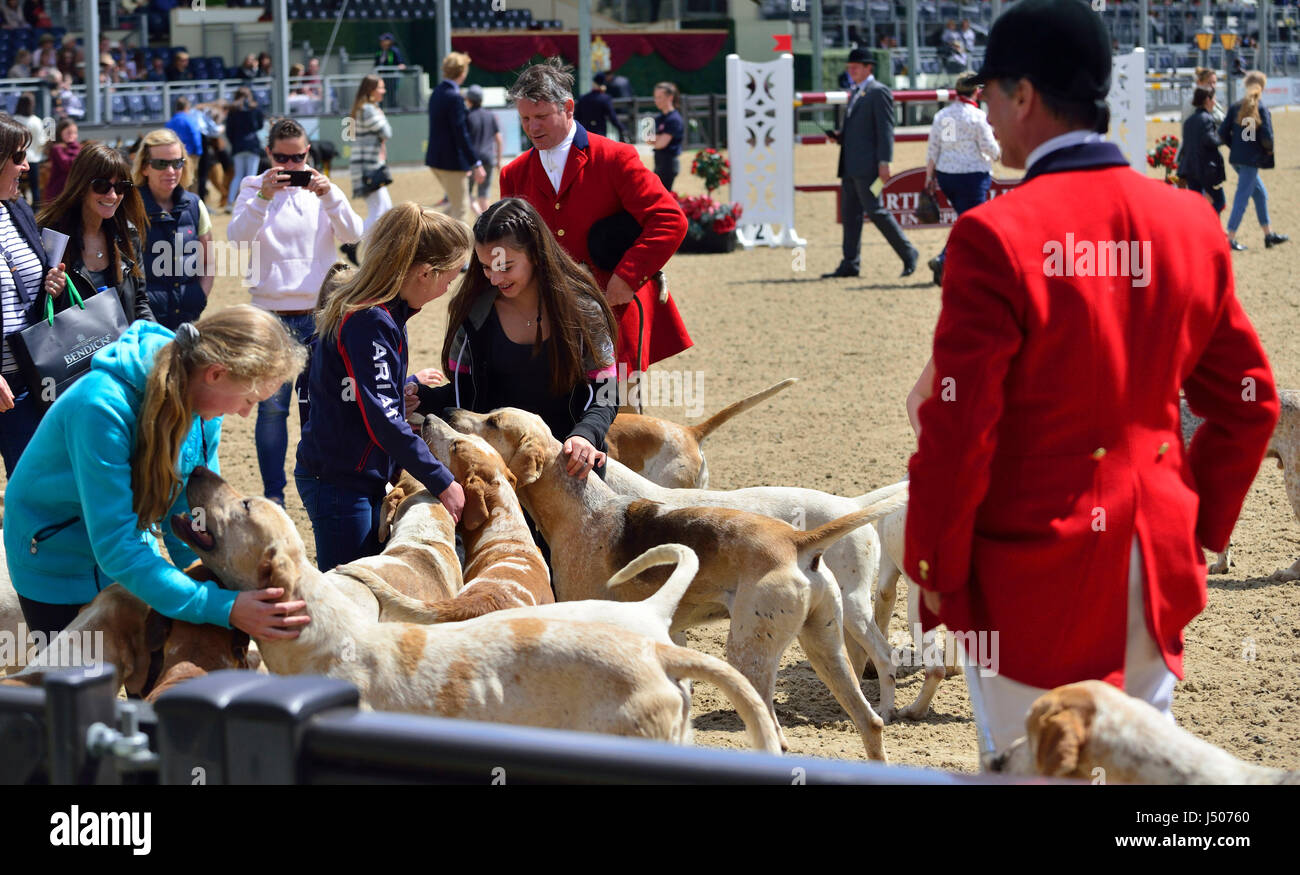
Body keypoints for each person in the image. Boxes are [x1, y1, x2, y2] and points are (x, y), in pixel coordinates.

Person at [903, 0, 1280, 764]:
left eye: (990, 94)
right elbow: (1251, 400)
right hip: (1154, 559)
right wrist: (1197, 524)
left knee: (1031, 770)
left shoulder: (994, 234)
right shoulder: (1190, 221)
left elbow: (960, 424)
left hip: (1029, 569)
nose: (987, 114)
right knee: (1145, 779)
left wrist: (933, 566)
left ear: (1023, 95)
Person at [3, 305, 312, 644]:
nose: (243, 413)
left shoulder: (204, 407)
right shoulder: (100, 407)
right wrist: (221, 606)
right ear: (216, 373)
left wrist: (207, 579)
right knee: (75, 685)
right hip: (55, 565)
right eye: (249, 399)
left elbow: (190, 511)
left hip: (128, 556)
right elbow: (116, 547)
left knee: (136, 680)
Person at [295, 203, 465, 570]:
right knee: (351, 593)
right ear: (424, 272)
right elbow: (383, 419)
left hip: (349, 471)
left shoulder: (381, 310)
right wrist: (441, 480)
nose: (447, 288)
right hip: (341, 480)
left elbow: (362, 395)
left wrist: (396, 392)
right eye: (447, 280)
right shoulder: (371, 319)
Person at [500, 58, 691, 376]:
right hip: (549, 321)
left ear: (568, 108)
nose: (533, 127)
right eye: (525, 119)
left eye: (542, 116)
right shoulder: (513, 174)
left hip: (615, 312)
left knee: (622, 415)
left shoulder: (617, 157)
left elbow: (670, 219)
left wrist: (628, 276)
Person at [413, 197, 619, 484]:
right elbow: (466, 396)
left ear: (535, 253)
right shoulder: (473, 314)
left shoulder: (584, 310)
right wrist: (419, 397)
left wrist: (586, 435)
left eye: (505, 266)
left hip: (570, 466)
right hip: (500, 473)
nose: (495, 278)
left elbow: (606, 393)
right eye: (486, 267)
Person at [229, 117, 364, 507]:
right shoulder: (252, 186)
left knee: (320, 407)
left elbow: (354, 234)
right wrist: (263, 198)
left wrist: (330, 195)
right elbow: (237, 239)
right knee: (271, 409)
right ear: (269, 154)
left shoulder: (322, 188)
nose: (291, 166)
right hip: (270, 314)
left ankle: (317, 483)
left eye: (299, 157)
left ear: (309, 152)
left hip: (317, 313)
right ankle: (275, 495)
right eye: (283, 157)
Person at [0, 113, 62, 473]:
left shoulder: (18, 209)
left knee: (33, 489)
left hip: (25, 382)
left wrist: (48, 288)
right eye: (18, 157)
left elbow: (25, 295)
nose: (26, 166)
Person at [823, 48, 918, 278]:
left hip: (868, 166)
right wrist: (840, 135)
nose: (851, 70)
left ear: (869, 68)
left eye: (856, 66)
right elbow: (858, 129)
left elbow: (885, 130)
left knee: (876, 211)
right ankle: (850, 263)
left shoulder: (878, 92)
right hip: (850, 164)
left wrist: (885, 161)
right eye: (849, 67)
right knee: (850, 215)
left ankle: (908, 252)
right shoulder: (856, 92)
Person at [36, 141, 155, 325]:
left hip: (120, 351)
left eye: (121, 187)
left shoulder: (128, 235)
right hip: (75, 350)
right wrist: (54, 293)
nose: (113, 195)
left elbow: (139, 301)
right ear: (81, 186)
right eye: (101, 186)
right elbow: (33, 309)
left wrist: (156, 343)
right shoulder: (50, 236)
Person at [923, 72, 999, 285]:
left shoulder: (944, 116)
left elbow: (934, 148)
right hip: (972, 177)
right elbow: (988, 147)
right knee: (972, 223)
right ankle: (944, 259)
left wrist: (928, 176)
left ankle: (950, 262)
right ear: (977, 92)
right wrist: (999, 153)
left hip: (947, 176)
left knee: (966, 221)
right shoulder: (977, 117)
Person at [132, 128, 212, 329]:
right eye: (161, 164)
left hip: (187, 319)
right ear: (144, 167)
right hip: (144, 325)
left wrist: (199, 297)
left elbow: (208, 262)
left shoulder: (195, 205)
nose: (170, 171)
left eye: (177, 163)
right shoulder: (128, 208)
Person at [1220, 71, 1288, 252]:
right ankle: (1230, 237)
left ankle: (1268, 235)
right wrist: (1267, 150)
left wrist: (1235, 147)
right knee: (1242, 198)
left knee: (1260, 194)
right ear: (1262, 87)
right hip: (1250, 161)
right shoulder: (1259, 107)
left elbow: (1223, 134)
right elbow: (1266, 138)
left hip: (1238, 160)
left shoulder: (1236, 107)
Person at [425, 52, 486, 223]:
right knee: (461, 208)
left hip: (436, 159)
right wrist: (476, 163)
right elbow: (461, 134)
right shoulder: (455, 98)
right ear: (463, 73)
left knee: (455, 204)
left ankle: (432, 232)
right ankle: (456, 248)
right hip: (451, 162)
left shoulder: (437, 92)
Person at [347, 74, 394, 244]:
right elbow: (387, 132)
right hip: (367, 167)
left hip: (367, 166)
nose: (384, 90)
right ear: (371, 90)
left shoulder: (363, 108)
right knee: (379, 212)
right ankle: (354, 244)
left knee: (384, 209)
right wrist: (381, 114)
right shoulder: (368, 110)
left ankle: (361, 246)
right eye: (380, 87)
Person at [1177, 86, 1226, 216]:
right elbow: (1210, 141)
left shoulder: (1188, 121)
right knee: (1219, 202)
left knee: (1197, 205)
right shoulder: (1207, 119)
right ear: (1207, 100)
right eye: (1213, 98)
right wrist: (1223, 137)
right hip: (1206, 169)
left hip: (1191, 169)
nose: (1215, 102)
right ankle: (1210, 230)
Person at [464, 84, 502, 217]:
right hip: (488, 158)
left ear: (468, 99)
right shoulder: (490, 115)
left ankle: (479, 216)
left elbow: (464, 141)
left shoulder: (466, 116)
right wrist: (498, 160)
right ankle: (486, 220)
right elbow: (498, 139)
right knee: (484, 194)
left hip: (472, 161)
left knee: (466, 192)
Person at [224, 86, 264, 212]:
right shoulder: (255, 108)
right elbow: (260, 125)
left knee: (238, 175)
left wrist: (234, 142)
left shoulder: (232, 110)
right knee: (251, 176)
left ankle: (230, 203)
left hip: (238, 146)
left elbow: (229, 131)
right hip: (252, 145)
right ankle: (249, 202)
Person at [648, 82, 685, 192]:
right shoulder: (660, 118)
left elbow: (660, 144)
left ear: (670, 97)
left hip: (669, 163)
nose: (656, 101)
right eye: (655, 97)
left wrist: (655, 139)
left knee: (663, 196)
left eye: (660, 97)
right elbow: (649, 140)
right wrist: (656, 139)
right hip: (659, 162)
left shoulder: (674, 119)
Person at [575, 72, 628, 141]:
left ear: (593, 83)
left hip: (585, 134)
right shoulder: (605, 98)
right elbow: (613, 118)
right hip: (600, 134)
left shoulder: (583, 98)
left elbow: (577, 117)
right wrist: (622, 128)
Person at [13, 94, 44, 206]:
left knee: (15, 186)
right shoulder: (37, 121)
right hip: (34, 159)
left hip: (17, 159)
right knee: (35, 186)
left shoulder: (14, 120)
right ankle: (37, 208)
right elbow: (41, 141)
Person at [165, 96, 203, 185]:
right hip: (190, 155)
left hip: (175, 157)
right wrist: (198, 152)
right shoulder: (190, 120)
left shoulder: (170, 122)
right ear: (186, 107)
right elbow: (195, 136)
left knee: (178, 179)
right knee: (191, 180)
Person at [43, 117, 80, 203]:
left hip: (70, 188)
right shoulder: (57, 148)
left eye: (74, 133)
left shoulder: (75, 147)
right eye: (68, 132)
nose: (72, 135)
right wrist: (74, 145)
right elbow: (68, 165)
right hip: (58, 190)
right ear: (60, 133)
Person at [374, 32, 405, 109]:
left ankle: (392, 110)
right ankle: (379, 110)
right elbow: (376, 64)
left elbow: (400, 62)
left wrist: (401, 66)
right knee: (379, 95)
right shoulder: (379, 51)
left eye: (384, 40)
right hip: (381, 78)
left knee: (391, 95)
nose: (382, 42)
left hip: (391, 78)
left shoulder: (394, 51)